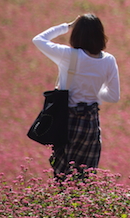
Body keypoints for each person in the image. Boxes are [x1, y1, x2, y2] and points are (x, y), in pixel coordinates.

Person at [32, 14, 120, 179]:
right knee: (86, 176)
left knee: (63, 175)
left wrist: (67, 25)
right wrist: (95, 90)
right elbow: (114, 96)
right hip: (90, 123)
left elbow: (38, 39)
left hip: (66, 121)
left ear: (76, 34)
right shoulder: (109, 60)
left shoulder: (69, 55)